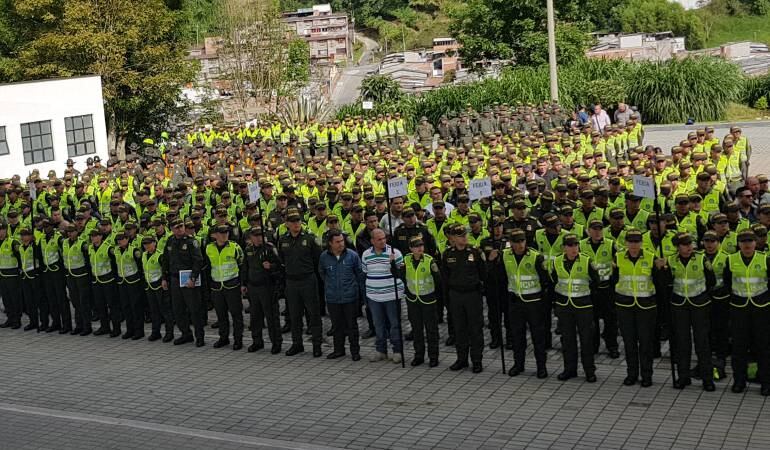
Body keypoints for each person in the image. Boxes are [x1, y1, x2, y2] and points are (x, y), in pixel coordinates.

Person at [662, 232, 716, 391]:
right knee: (682, 342)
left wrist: (703, 295)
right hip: (679, 305)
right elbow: (666, 283)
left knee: (702, 342)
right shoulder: (671, 260)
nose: (689, 247)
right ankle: (683, 377)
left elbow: (711, 280)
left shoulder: (701, 258)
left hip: (699, 303)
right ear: (677, 247)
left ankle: (707, 379)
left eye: (690, 244)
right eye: (684, 245)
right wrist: (662, 270)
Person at [613, 228, 666, 387]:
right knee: (629, 343)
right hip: (624, 306)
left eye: (637, 241)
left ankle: (647, 375)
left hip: (646, 307)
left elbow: (660, 284)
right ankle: (632, 374)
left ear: (641, 243)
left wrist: (662, 269)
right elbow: (613, 282)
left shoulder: (651, 257)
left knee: (645, 343)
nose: (634, 245)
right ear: (626, 243)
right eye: (631, 241)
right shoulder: (618, 257)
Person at [723, 230, 770, 396]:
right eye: (743, 242)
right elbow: (728, 283)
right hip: (739, 308)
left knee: (763, 347)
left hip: (761, 308)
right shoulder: (731, 260)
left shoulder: (765, 259)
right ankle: (739, 381)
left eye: (750, 241)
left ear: (755, 243)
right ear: (739, 244)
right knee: (739, 347)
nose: (747, 245)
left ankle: (766, 383)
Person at [500, 229, 550, 378]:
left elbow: (545, 280)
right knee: (517, 335)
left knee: (538, 336)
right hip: (515, 301)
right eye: (517, 242)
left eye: (522, 241)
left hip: (534, 302)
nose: (520, 244)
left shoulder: (536, 257)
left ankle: (541, 367)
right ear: (512, 243)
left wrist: (543, 302)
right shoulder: (505, 255)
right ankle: (518, 364)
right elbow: (501, 276)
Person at [551, 233, 599, 382]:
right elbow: (554, 280)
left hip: (583, 306)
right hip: (565, 306)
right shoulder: (557, 261)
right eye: (570, 245)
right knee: (567, 340)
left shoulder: (586, 261)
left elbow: (596, 282)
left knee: (586, 340)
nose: (574, 248)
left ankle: (589, 371)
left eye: (576, 245)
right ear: (564, 248)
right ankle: (569, 369)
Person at [441, 224, 486, 373]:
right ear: (453, 238)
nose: (464, 238)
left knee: (475, 329)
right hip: (456, 295)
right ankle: (461, 359)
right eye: (460, 236)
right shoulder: (448, 254)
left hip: (472, 294)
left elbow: (483, 273)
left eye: (465, 235)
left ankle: (477, 360)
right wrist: (447, 298)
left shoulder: (475, 252)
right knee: (459, 329)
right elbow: (445, 277)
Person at [277, 209, 323, 357]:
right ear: (287, 224)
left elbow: (318, 260)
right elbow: (282, 261)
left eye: (298, 221)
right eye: (293, 221)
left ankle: (317, 345)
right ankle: (297, 344)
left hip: (308, 280)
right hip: (291, 282)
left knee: (313, 314)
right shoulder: (283, 240)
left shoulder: (310, 239)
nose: (296, 224)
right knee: (294, 315)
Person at [319, 230, 365, 361]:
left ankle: (355, 351)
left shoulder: (352, 256)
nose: (341, 244)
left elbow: (359, 274)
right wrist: (330, 286)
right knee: (337, 326)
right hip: (333, 298)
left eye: (342, 241)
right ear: (330, 243)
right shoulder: (324, 257)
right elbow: (322, 273)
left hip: (350, 297)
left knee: (352, 326)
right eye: (337, 242)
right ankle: (338, 350)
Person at [361, 228, 404, 363]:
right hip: (374, 296)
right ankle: (381, 350)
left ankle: (397, 351)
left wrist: (393, 265)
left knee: (394, 324)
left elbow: (402, 273)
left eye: (384, 238)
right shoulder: (366, 254)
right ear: (372, 241)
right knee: (378, 324)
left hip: (391, 295)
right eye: (379, 239)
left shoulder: (395, 253)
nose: (382, 241)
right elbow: (365, 271)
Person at [399, 235, 441, 367]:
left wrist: (437, 298)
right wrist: (392, 264)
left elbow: (439, 280)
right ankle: (419, 355)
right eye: (416, 246)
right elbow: (400, 276)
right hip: (412, 300)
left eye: (421, 246)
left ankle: (433, 356)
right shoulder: (406, 259)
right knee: (416, 330)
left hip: (428, 300)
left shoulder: (429, 261)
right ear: (411, 248)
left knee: (431, 330)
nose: (420, 248)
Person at [163, 218, 206, 347]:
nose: (180, 229)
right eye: (176, 227)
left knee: (194, 309)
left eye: (181, 226)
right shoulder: (170, 241)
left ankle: (199, 337)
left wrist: (193, 278)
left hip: (188, 280)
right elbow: (165, 260)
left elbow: (198, 261)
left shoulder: (191, 242)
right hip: (175, 279)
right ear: (171, 229)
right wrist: (164, 278)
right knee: (178, 309)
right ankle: (186, 334)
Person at [580, 219, 619, 358]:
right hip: (590, 289)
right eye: (594, 229)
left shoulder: (610, 244)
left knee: (610, 320)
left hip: (607, 288)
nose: (597, 232)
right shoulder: (581, 245)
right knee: (591, 320)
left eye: (600, 229)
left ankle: (612, 346)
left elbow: (619, 260)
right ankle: (593, 345)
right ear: (588, 230)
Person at [242, 226, 283, 354]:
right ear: (251, 238)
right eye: (256, 236)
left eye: (261, 235)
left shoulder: (270, 248)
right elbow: (245, 268)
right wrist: (243, 284)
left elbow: (280, 266)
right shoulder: (248, 249)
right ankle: (257, 341)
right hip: (253, 287)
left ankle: (276, 342)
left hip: (267, 287)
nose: (259, 238)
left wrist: (271, 266)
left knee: (271, 316)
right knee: (255, 316)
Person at [205, 224, 245, 350]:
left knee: (236, 314)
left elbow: (242, 266)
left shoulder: (234, 247)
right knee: (221, 315)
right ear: (214, 235)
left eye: (226, 232)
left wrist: (243, 284)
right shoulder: (208, 248)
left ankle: (238, 340)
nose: (224, 235)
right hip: (217, 286)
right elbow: (207, 267)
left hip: (232, 285)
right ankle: (223, 338)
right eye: (221, 233)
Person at [88, 229, 121, 337]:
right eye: (91, 236)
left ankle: (116, 329)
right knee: (100, 305)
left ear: (101, 236)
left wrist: (115, 277)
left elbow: (116, 263)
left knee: (112, 305)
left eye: (95, 236)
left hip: (108, 280)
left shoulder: (108, 248)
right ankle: (104, 327)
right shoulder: (90, 248)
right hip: (96, 280)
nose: (93, 238)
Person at [141, 235, 174, 342]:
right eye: (145, 244)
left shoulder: (160, 256)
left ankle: (169, 333)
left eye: (149, 243)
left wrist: (164, 281)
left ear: (154, 243)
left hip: (160, 286)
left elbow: (166, 270)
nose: (147, 246)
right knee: (153, 311)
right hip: (150, 286)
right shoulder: (144, 255)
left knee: (165, 310)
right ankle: (156, 332)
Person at [113, 232, 145, 340]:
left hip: (133, 281)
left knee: (135, 307)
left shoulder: (134, 250)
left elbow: (140, 266)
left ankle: (139, 331)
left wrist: (139, 281)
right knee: (126, 307)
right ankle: (129, 329)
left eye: (122, 239)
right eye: (118, 240)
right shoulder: (116, 250)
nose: (119, 242)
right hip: (122, 282)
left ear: (127, 239)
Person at [61, 224, 91, 335]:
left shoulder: (82, 243)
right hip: (70, 275)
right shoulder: (64, 243)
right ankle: (79, 325)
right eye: (68, 232)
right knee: (75, 302)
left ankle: (87, 326)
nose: (70, 234)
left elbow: (88, 259)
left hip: (81, 275)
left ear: (76, 232)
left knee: (84, 302)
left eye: (72, 231)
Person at [0, 223, 22, 329]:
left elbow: (20, 257)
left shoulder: (13, 242)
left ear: (6, 230)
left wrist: (20, 271)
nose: (0, 232)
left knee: (15, 298)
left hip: (13, 274)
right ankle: (9, 318)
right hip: (2, 275)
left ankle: (17, 320)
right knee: (6, 298)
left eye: (2, 230)